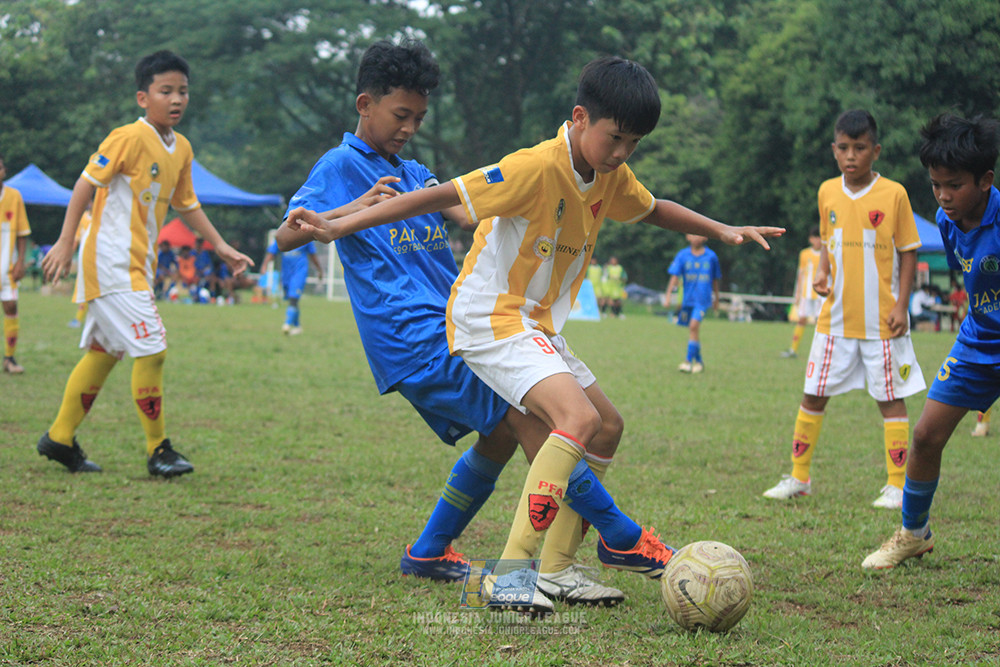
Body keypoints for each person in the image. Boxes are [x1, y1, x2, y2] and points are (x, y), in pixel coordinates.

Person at [286, 55, 783, 608]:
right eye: (401, 114)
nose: (410, 127)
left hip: (507, 317)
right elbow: (306, 231)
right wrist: (341, 219)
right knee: (544, 422)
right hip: (428, 328)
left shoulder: (590, 172)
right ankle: (603, 541)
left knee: (577, 427)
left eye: (418, 118)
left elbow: (463, 204)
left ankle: (454, 553)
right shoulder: (349, 164)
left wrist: (719, 228)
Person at [37, 50, 252, 477]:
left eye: (183, 91)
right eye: (166, 91)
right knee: (152, 347)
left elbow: (187, 205)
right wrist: (64, 241)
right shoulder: (126, 138)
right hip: (110, 262)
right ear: (143, 97)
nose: (176, 99)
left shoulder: (182, 148)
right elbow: (83, 187)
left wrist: (223, 247)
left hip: (138, 265)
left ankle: (59, 438)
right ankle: (159, 451)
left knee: (104, 353)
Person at [763, 109, 926, 509]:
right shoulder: (827, 192)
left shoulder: (895, 194)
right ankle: (799, 478)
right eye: (844, 148)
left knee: (890, 399)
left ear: (876, 151)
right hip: (833, 321)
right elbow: (827, 243)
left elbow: (908, 254)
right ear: (834, 150)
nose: (851, 155)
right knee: (813, 395)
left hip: (881, 320)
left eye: (860, 148)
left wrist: (902, 305)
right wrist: (821, 272)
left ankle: (897, 484)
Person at [863, 113, 999, 569]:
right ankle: (913, 534)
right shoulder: (944, 220)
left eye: (954, 185)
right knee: (924, 437)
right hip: (977, 343)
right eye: (936, 184)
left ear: (985, 180)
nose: (942, 195)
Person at [663, 234, 720, 373]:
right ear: (688, 236)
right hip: (688, 300)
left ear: (705, 237)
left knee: (693, 326)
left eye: (699, 233)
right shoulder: (682, 256)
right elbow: (674, 276)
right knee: (692, 330)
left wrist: (716, 299)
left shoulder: (711, 257)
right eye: (693, 233)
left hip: (702, 300)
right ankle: (699, 362)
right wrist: (668, 295)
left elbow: (715, 280)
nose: (696, 237)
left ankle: (688, 361)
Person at [0, 153, 31, 374]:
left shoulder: (14, 196)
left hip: (6, 266)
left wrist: (20, 260)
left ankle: (9, 359)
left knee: (11, 306)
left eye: (0, 167)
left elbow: (22, 232)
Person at [259, 236, 324, 334]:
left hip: (299, 272)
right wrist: (264, 265)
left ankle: (287, 324)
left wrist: (319, 270)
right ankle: (297, 326)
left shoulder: (305, 236)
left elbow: (313, 255)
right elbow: (272, 252)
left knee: (294, 299)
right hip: (286, 274)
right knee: (291, 299)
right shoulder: (284, 234)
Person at [782, 228, 823, 358]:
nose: (818, 241)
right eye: (815, 237)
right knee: (802, 320)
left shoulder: (826, 254)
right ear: (811, 239)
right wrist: (797, 293)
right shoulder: (804, 254)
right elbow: (800, 274)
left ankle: (820, 352)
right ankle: (793, 349)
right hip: (806, 294)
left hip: (820, 295)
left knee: (820, 323)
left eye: (820, 237)